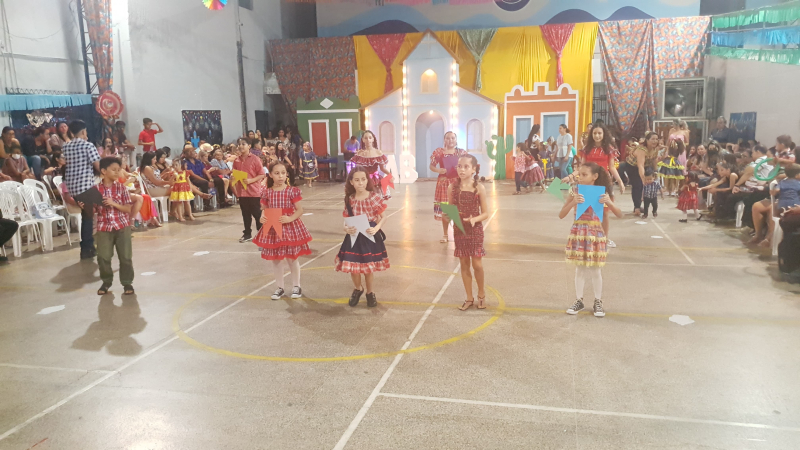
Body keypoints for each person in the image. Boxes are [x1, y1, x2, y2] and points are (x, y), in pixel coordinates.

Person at [560, 163, 623, 317]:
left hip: (595, 234)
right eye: (579, 174)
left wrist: (608, 202)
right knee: (580, 269)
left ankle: (598, 301)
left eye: (584, 175)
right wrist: (573, 202)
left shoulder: (602, 193)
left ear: (595, 177)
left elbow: (619, 214)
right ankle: (579, 300)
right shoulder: (574, 191)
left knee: (596, 270)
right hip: (578, 233)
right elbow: (561, 214)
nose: (580, 177)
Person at [254, 161, 312, 300]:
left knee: (292, 258)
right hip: (274, 228)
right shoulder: (267, 192)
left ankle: (296, 286)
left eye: (283, 173)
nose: (280, 176)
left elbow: (299, 210)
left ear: (286, 174)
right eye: (277, 173)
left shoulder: (292, 191)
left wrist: (290, 218)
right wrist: (262, 217)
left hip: (290, 228)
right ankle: (280, 287)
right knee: (276, 260)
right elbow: (265, 209)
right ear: (270, 175)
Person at [335, 166, 390, 308]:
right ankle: (358, 288)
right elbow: (346, 217)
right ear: (351, 182)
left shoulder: (373, 197)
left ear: (367, 180)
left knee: (368, 267)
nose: (360, 183)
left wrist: (376, 228)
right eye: (357, 180)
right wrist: (345, 228)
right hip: (354, 236)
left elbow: (384, 217)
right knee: (353, 266)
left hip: (369, 236)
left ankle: (370, 292)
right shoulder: (350, 199)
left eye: (363, 179)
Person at [565, 124, 625, 247]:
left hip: (604, 183)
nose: (597, 136)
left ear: (604, 134)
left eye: (599, 133)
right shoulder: (586, 149)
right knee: (584, 212)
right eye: (594, 133)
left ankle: (605, 239)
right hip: (588, 183)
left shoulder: (609, 149)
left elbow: (612, 167)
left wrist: (620, 181)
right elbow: (581, 167)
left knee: (605, 213)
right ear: (591, 134)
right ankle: (582, 237)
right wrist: (570, 176)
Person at [449, 154, 489, 311]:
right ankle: (469, 297)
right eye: (459, 166)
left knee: (477, 264)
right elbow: (451, 209)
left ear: (473, 169)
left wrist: (474, 219)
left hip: (475, 229)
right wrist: (449, 215)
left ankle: (481, 294)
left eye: (466, 167)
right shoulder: (452, 187)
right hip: (459, 230)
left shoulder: (479, 188)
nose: (462, 169)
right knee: (464, 263)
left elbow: (485, 213)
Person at [94, 157, 135, 296]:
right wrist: (85, 206)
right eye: (114, 170)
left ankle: (127, 282)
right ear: (104, 171)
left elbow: (128, 209)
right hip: (103, 227)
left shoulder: (122, 188)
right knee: (103, 257)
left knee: (125, 256)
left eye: (119, 170)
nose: (117, 172)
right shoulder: (96, 190)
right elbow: (93, 210)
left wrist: (113, 203)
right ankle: (106, 281)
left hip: (122, 225)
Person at [63, 120, 101, 260]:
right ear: (84, 131)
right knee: (89, 216)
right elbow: (98, 166)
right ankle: (87, 247)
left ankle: (89, 247)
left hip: (72, 186)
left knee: (87, 215)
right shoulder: (88, 145)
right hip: (85, 185)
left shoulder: (66, 146)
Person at [428, 131, 467, 242]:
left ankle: (459, 233)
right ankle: (445, 235)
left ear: (456, 140)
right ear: (444, 140)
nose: (450, 140)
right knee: (446, 209)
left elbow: (467, 165)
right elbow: (431, 166)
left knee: (459, 209)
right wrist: (438, 170)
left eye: (453, 138)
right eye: (448, 138)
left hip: (458, 182)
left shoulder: (461, 153)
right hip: (444, 183)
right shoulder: (439, 152)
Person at [233, 138, 265, 242]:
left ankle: (262, 234)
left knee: (257, 214)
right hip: (242, 192)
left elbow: (262, 174)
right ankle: (247, 233)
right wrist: (233, 177)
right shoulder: (236, 160)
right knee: (245, 214)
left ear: (249, 146)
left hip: (253, 191)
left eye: (243, 144)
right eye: (239, 144)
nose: (241, 146)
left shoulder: (255, 159)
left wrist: (251, 180)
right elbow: (234, 173)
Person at [625, 131, 662, 216]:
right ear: (647, 140)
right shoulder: (641, 150)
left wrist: (655, 172)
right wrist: (643, 178)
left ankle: (639, 205)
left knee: (645, 186)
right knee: (638, 185)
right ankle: (637, 207)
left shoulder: (655, 149)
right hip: (632, 166)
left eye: (656, 139)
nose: (655, 141)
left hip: (646, 165)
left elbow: (654, 160)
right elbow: (640, 165)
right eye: (652, 139)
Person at [353, 130, 393, 199]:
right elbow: (357, 169)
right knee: (365, 200)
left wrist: (390, 175)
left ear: (373, 139)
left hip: (376, 179)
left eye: (370, 137)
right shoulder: (360, 153)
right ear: (363, 140)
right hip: (364, 179)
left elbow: (382, 168)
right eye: (366, 138)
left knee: (376, 199)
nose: (368, 140)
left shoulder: (378, 153)